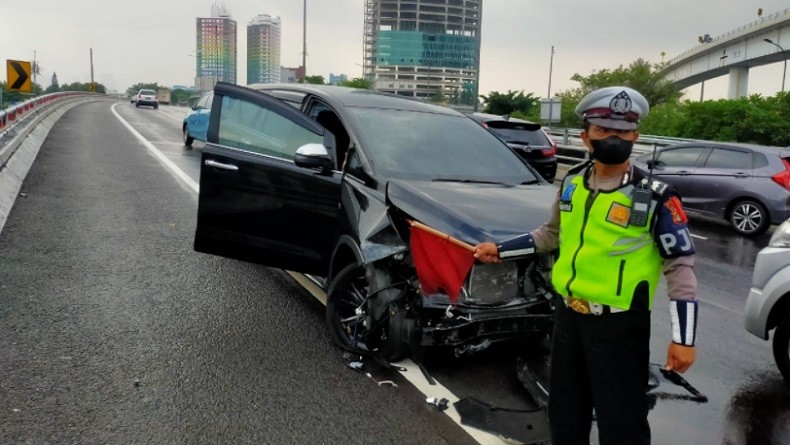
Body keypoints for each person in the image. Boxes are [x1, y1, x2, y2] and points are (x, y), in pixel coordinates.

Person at [474, 86, 698, 445]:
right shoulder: (573, 183)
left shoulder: (653, 196)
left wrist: (683, 339)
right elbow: (550, 235)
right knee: (565, 414)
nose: (614, 138)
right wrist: (500, 250)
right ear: (585, 136)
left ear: (635, 136)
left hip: (620, 327)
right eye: (603, 130)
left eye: (623, 131)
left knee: (622, 424)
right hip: (568, 319)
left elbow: (680, 267)